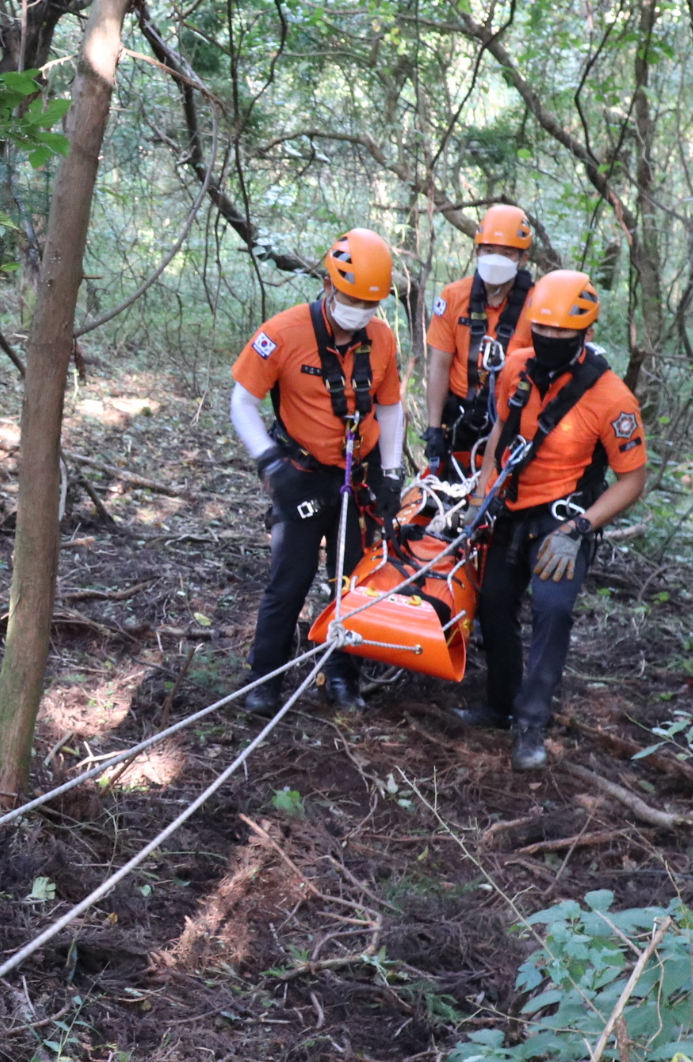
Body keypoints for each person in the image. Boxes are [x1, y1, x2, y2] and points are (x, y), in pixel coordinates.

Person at [458, 270, 648, 770]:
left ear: (584, 334)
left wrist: (580, 529)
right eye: (543, 330)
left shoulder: (613, 399)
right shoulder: (515, 367)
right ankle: (499, 703)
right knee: (493, 604)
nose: (550, 341)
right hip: (511, 510)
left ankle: (531, 722)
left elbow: (632, 479)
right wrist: (483, 491)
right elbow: (501, 430)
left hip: (566, 519)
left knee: (553, 609)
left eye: (563, 335)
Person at [228, 229, 408, 715]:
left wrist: (391, 474)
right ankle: (264, 680)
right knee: (290, 578)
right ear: (328, 286)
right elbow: (242, 402)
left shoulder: (382, 339)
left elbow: (390, 410)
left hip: (359, 475)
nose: (359, 309)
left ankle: (341, 678)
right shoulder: (282, 335)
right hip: (300, 473)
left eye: (369, 303)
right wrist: (269, 462)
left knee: (352, 581)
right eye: (350, 298)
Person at [421, 204, 535, 477]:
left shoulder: (539, 305)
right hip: (460, 417)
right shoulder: (454, 297)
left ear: (522, 259)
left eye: (507, 253)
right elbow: (439, 365)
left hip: (513, 418)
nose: (496, 259)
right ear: (477, 252)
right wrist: (434, 427)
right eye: (489, 251)